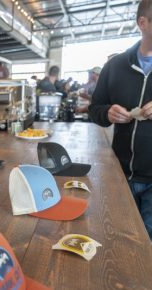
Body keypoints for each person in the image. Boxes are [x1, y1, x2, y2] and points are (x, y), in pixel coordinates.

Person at [89, 0, 152, 239]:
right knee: (118, 238)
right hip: (120, 174)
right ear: (142, 23)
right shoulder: (115, 66)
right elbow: (94, 109)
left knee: (146, 244)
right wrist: (107, 113)